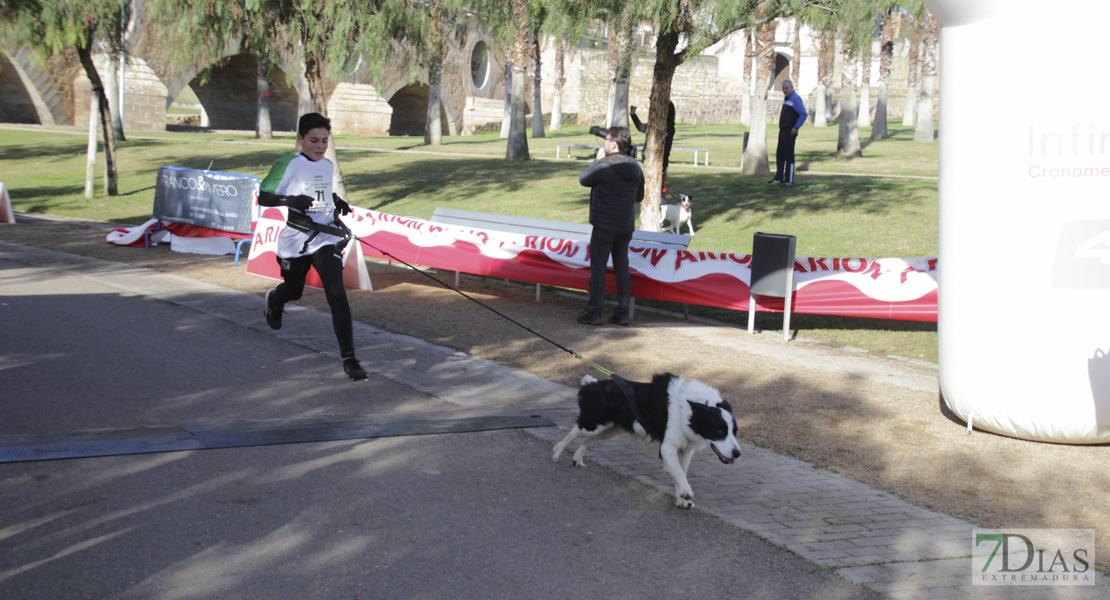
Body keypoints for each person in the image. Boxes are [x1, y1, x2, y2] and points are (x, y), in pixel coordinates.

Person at [259, 112, 367, 381]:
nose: (320, 147)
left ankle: (349, 358)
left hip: (325, 239)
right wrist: (290, 200)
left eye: (324, 141)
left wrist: (336, 200)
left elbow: (320, 188)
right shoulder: (288, 164)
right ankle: (276, 299)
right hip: (296, 240)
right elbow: (263, 196)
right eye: (313, 140)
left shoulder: (327, 165)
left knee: (337, 294)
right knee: (293, 291)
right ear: (300, 139)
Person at [577, 126, 645, 327]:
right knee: (621, 268)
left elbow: (583, 179)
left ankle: (595, 312)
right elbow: (639, 197)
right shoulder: (635, 167)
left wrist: (597, 159)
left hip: (604, 225)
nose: (604, 143)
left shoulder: (604, 165)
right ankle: (621, 313)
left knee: (598, 269)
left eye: (606, 140)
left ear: (613, 144)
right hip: (624, 226)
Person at [769, 80, 808, 185]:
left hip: (790, 131)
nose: (785, 90)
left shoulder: (795, 99)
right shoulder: (786, 99)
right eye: (783, 88)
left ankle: (789, 179)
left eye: (787, 88)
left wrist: (796, 127)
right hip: (782, 130)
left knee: (789, 155)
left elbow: (803, 114)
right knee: (780, 154)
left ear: (792, 88)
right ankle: (778, 177)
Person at [630, 101, 676, 184]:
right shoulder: (658, 125)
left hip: (658, 163)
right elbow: (641, 127)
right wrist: (633, 114)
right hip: (651, 162)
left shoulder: (666, 127)